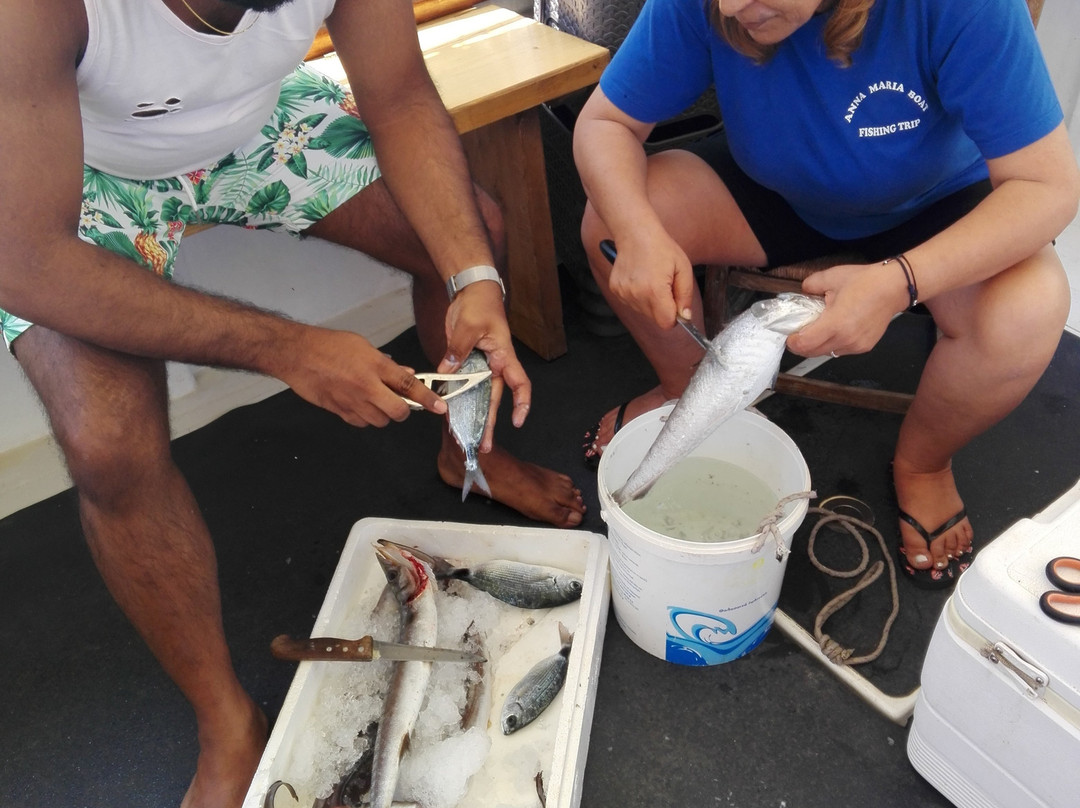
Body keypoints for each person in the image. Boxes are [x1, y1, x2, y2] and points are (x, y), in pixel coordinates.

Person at [0, 1, 587, 805]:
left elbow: (399, 95)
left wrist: (475, 277)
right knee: (109, 443)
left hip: (257, 118)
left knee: (469, 231)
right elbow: (26, 260)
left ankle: (467, 450)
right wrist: (291, 348)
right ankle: (225, 722)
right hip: (81, 167)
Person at [574, 0, 1079, 588]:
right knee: (610, 223)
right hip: (776, 191)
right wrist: (638, 234)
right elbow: (605, 123)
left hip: (936, 205)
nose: (731, 8)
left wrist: (899, 281)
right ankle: (685, 390)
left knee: (1027, 309)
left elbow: (1048, 186)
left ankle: (922, 463)